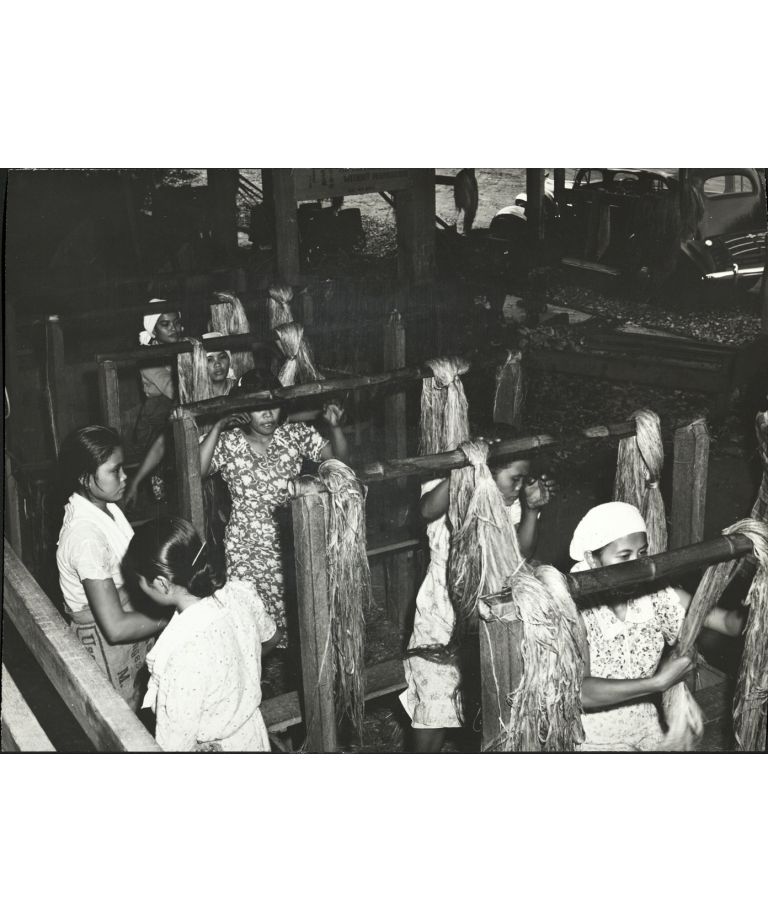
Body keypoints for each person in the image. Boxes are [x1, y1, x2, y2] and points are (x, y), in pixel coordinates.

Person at [402, 450, 556, 753]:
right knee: (434, 701)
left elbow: (521, 554)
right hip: (441, 613)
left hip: (488, 613)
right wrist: (468, 468)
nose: (518, 487)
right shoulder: (453, 491)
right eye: (514, 479)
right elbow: (425, 510)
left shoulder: (510, 505)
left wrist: (531, 510)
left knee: (488, 697)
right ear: (488, 473)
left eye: (523, 480)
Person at [570, 501, 745, 751]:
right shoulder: (577, 611)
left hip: (646, 730)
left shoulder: (655, 597)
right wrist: (658, 683)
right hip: (591, 740)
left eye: (642, 554)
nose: (637, 566)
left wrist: (758, 594)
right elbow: (582, 692)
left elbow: (728, 623)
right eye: (624, 556)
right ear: (592, 559)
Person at [199, 368, 348, 644]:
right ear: (243, 410)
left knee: (292, 615)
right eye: (258, 408)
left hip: (289, 538)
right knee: (248, 617)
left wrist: (334, 427)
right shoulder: (229, 442)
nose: (268, 414)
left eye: (273, 406)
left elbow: (338, 463)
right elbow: (197, 470)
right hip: (245, 546)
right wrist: (218, 425)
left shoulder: (294, 435)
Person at [126, 517, 279, 751]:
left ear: (162, 584)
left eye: (140, 581)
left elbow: (175, 748)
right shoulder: (239, 594)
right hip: (252, 735)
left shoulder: (183, 656)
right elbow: (272, 638)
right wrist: (237, 670)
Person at [56, 426, 168, 709]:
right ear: (85, 477)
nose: (124, 476)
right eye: (115, 471)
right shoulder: (85, 537)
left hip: (129, 621)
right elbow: (115, 628)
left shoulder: (107, 507)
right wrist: (170, 616)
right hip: (108, 642)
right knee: (121, 716)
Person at [125, 331, 235, 508]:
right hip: (201, 473)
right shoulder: (191, 399)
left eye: (222, 357)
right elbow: (162, 442)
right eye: (209, 359)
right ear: (199, 363)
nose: (217, 364)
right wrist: (136, 481)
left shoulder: (238, 391)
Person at [134, 303, 183, 499]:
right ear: (153, 331)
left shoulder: (182, 347)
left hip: (175, 408)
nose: (173, 328)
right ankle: (157, 477)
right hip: (155, 420)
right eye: (165, 324)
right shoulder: (148, 357)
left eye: (176, 323)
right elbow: (173, 389)